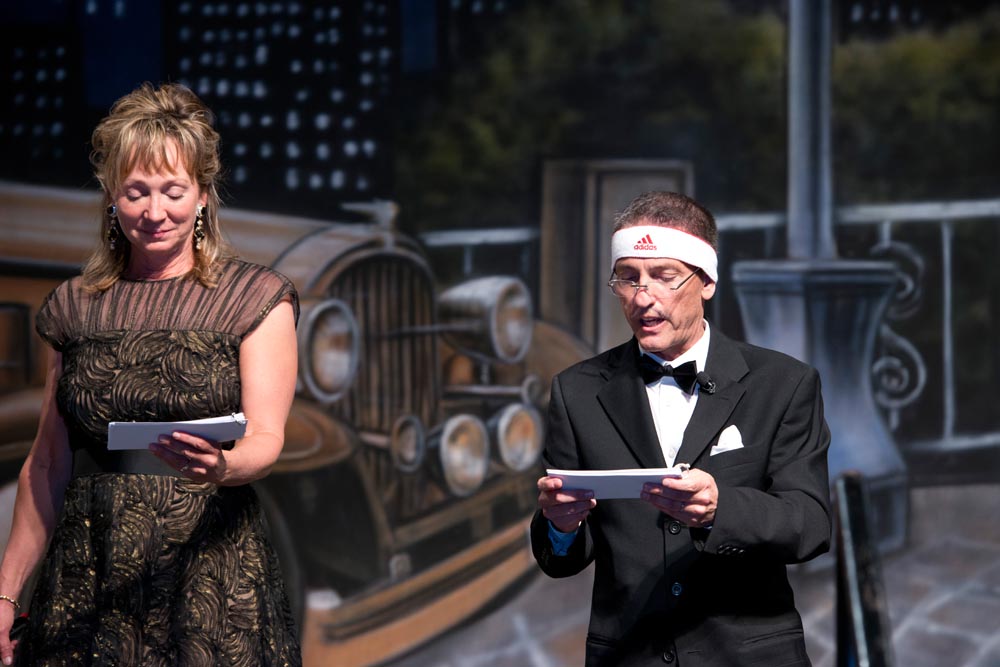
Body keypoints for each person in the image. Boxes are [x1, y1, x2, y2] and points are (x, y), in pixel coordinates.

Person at [0, 83, 301, 666]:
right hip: (88, 575)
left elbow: (267, 437)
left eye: (173, 191)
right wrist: (6, 593)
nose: (154, 212)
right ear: (111, 198)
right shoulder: (74, 307)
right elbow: (47, 464)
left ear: (204, 196)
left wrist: (224, 466)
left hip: (211, 573)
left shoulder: (255, 297)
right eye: (136, 192)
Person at [531, 191, 831, 666]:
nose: (642, 297)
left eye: (664, 277)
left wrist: (720, 509)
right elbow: (560, 556)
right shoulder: (576, 391)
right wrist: (561, 526)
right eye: (627, 278)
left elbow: (810, 525)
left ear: (706, 280)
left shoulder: (784, 383)